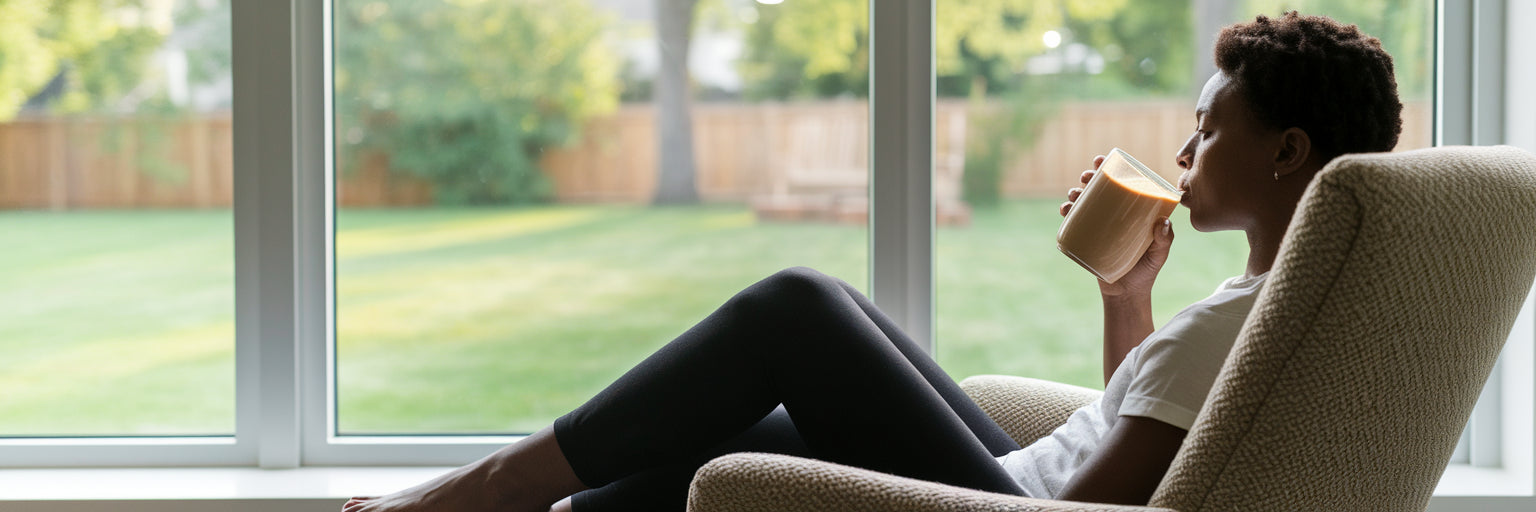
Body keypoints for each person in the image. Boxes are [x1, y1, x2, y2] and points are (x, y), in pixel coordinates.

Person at [343, 11, 1404, 512]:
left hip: (1009, 505)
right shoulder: (1273, 299)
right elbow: (1137, 433)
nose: (1183, 152)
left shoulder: (1246, 320)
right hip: (1023, 474)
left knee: (798, 306)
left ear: (1288, 151)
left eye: (1208, 131)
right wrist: (1128, 295)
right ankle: (546, 507)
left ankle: (486, 489)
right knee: (763, 416)